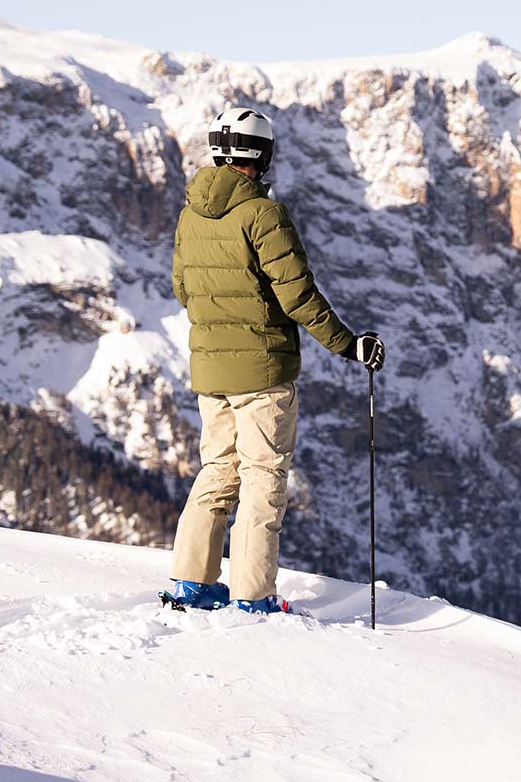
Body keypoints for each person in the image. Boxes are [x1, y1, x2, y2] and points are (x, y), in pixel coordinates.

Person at [163, 107, 385, 613]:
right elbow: (299, 297)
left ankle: (190, 583)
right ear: (261, 155)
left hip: (210, 371)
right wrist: (349, 344)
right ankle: (253, 595)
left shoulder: (190, 214)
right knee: (263, 479)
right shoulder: (263, 215)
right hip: (263, 373)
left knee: (218, 471)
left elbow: (182, 289)